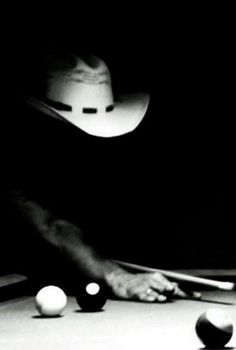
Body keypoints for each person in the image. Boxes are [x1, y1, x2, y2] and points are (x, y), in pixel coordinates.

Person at [2, 52, 200, 302]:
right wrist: (115, 276)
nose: (82, 140)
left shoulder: (98, 154)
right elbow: (49, 224)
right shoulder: (11, 151)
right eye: (67, 128)